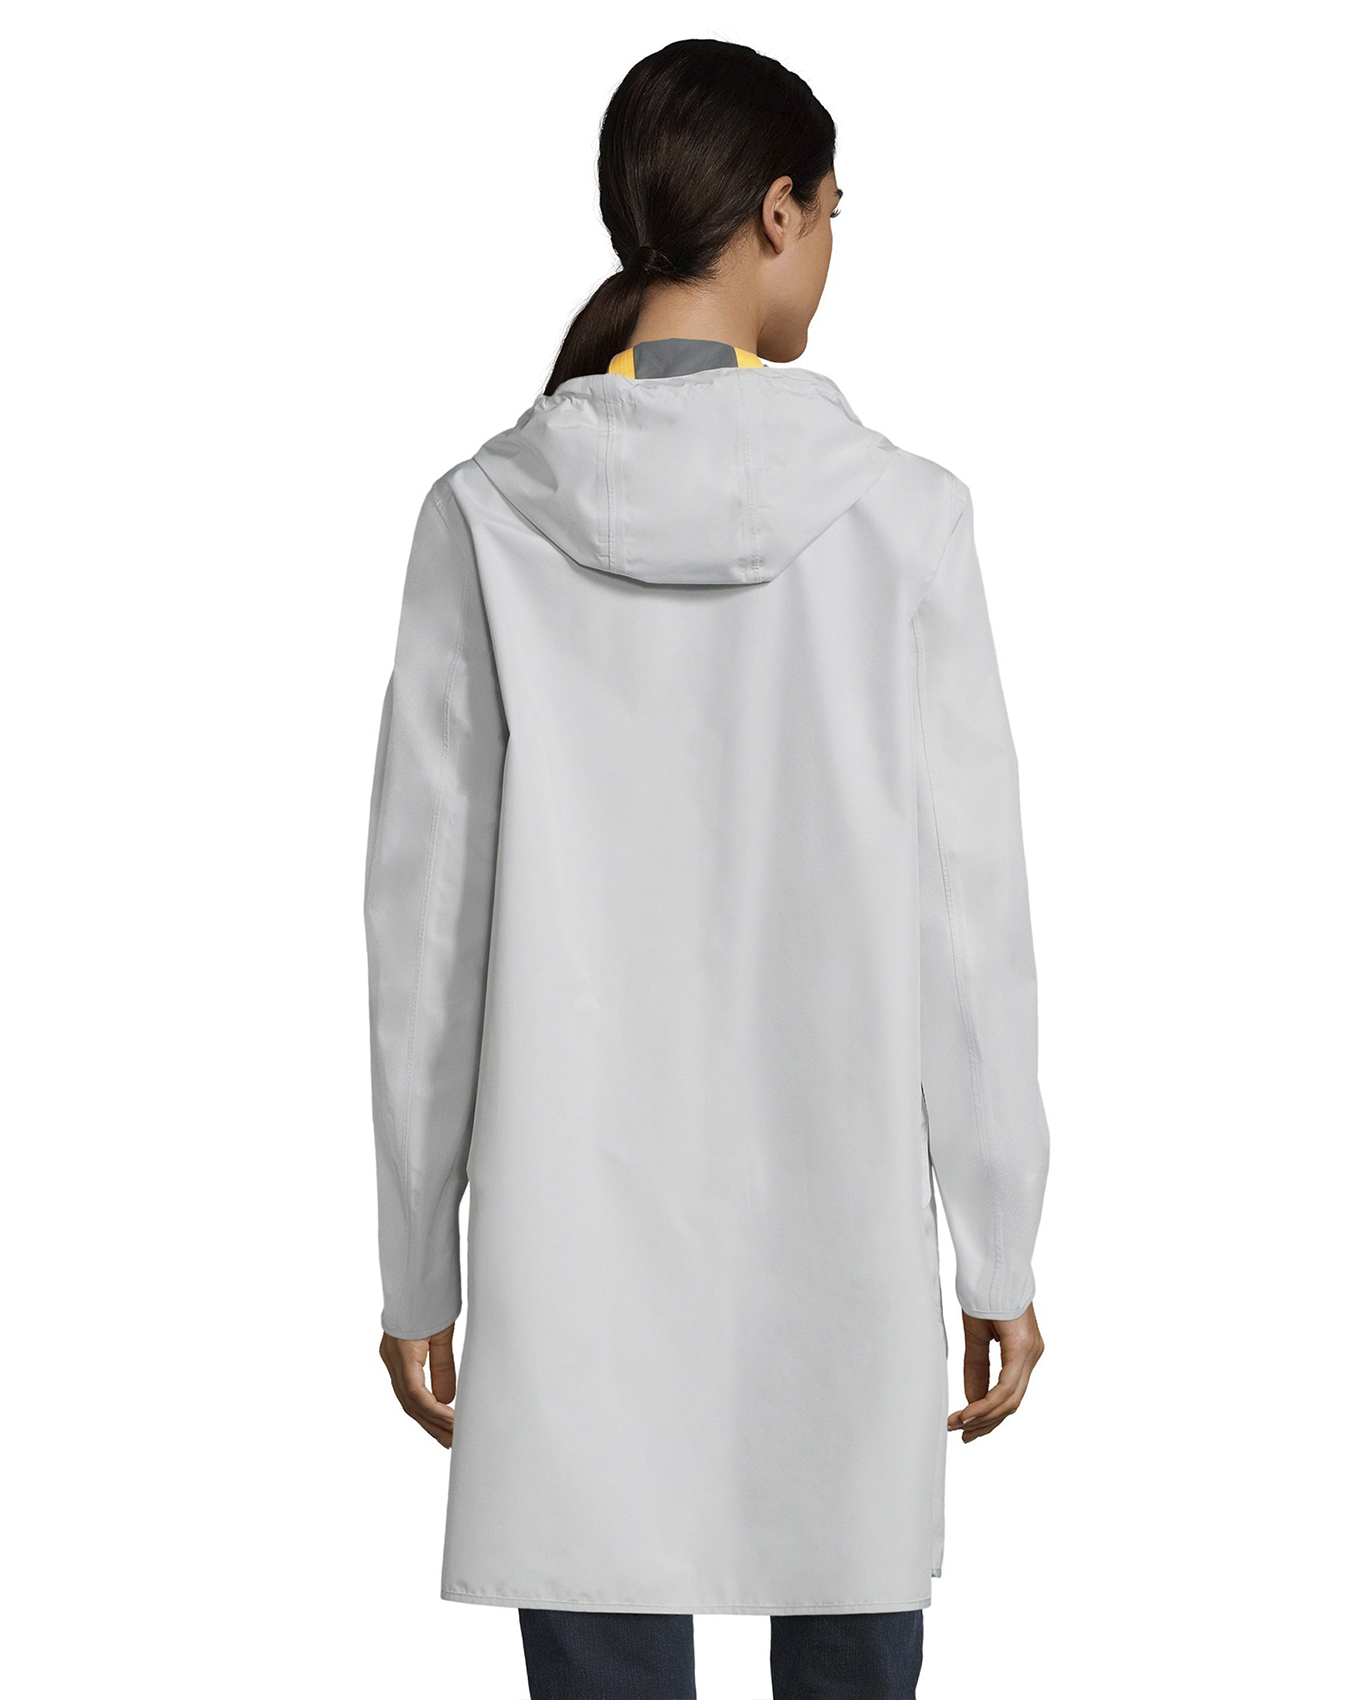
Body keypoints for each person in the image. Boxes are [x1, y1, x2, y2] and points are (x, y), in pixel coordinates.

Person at [365, 37, 1050, 1700]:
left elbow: (425, 935)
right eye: (834, 212)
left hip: (569, 1248)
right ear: (776, 212)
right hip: (838, 1238)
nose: (831, 247)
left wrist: (416, 1259)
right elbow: (967, 921)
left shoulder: (487, 515)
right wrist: (999, 1245)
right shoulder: (905, 522)